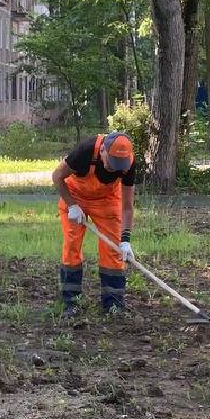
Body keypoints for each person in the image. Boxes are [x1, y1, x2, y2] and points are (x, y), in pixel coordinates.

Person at [51, 131, 137, 317]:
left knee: (113, 250)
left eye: (119, 165)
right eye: (112, 162)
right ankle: (70, 302)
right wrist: (72, 206)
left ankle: (113, 304)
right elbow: (57, 176)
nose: (114, 169)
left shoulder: (128, 163)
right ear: (103, 151)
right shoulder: (85, 151)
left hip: (106, 200)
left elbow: (127, 206)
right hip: (75, 196)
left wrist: (126, 239)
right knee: (72, 245)